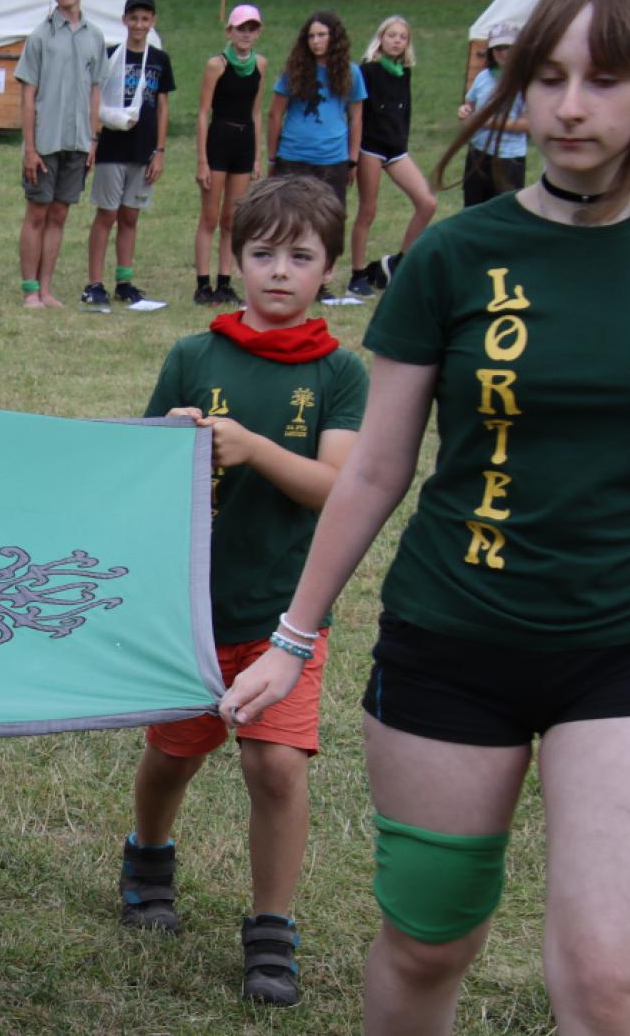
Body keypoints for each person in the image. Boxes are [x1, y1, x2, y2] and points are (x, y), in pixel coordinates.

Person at [219, 0, 630, 1035]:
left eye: (604, 80)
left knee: (609, 979)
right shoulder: (454, 255)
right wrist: (292, 638)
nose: (568, 107)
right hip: (450, 643)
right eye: (548, 76)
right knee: (429, 943)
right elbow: (375, 469)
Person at [123, 175, 364, 1006]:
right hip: (191, 612)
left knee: (276, 767)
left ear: (329, 268)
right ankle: (148, 856)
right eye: (263, 253)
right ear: (236, 259)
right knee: (172, 754)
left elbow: (337, 488)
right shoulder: (193, 356)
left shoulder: (341, 373)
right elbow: (138, 465)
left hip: (285, 615)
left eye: (301, 256)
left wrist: (255, 447)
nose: (280, 271)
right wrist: (171, 442)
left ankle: (271, 928)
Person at [14, 0, 107, 310]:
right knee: (37, 211)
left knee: (60, 213)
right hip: (46, 139)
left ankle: (46, 288)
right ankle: (29, 290)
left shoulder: (95, 36)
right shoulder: (40, 36)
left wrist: (93, 138)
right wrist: (30, 147)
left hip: (78, 140)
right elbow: (28, 95)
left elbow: (95, 89)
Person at [84, 0, 174, 309]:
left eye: (144, 19)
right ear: (124, 20)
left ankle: (124, 281)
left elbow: (162, 106)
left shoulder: (159, 60)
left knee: (130, 216)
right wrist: (93, 139)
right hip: (112, 146)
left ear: (153, 21)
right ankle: (94, 283)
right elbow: (96, 99)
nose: (139, 24)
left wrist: (160, 150)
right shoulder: (111, 55)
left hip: (143, 149)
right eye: (133, 18)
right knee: (107, 213)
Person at [347, 16, 438, 297]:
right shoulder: (367, 71)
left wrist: (402, 140)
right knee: (368, 210)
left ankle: (400, 262)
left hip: (396, 148)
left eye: (402, 37)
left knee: (427, 202)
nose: (397, 41)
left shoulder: (404, 72)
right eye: (392, 35)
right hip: (370, 148)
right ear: (381, 39)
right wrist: (353, 156)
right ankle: (357, 274)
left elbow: (405, 111)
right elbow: (356, 113)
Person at [193, 4, 268, 307]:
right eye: (241, 28)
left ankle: (225, 282)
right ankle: (203, 283)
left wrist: (257, 156)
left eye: (251, 28)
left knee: (232, 218)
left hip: (244, 141)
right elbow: (203, 112)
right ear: (230, 31)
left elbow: (256, 111)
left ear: (258, 32)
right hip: (219, 139)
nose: (246, 34)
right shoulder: (217, 65)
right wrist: (202, 160)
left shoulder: (260, 64)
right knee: (210, 216)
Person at [267, 11, 365, 213]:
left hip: (333, 159)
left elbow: (356, 118)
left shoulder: (351, 72)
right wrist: (272, 158)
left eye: (321, 35)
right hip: (294, 156)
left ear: (334, 37)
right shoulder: (293, 71)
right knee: (290, 218)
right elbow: (275, 115)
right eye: (311, 36)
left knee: (330, 218)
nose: (316, 41)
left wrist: (353, 160)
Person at [458, 23, 528, 207]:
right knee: (472, 208)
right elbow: (470, 105)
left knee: (503, 210)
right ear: (491, 51)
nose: (504, 53)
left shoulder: (524, 82)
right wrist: (465, 112)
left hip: (508, 157)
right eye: (498, 48)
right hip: (478, 153)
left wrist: (489, 122)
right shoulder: (483, 77)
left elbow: (529, 123)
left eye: (508, 47)